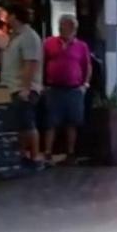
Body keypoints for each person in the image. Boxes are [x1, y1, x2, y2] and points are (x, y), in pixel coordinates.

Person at [0, 3, 44, 169]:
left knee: (27, 123)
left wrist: (26, 88)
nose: (5, 19)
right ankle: (23, 155)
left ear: (14, 16)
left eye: (8, 15)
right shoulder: (15, 37)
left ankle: (34, 157)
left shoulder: (29, 36)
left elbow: (30, 63)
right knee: (19, 124)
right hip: (11, 87)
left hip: (23, 88)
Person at [43, 14, 91, 165]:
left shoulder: (81, 46)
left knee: (72, 122)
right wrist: (42, 84)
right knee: (50, 122)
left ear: (74, 28)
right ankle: (48, 153)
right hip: (54, 88)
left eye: (67, 26)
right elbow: (42, 63)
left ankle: (70, 153)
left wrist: (85, 84)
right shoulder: (49, 43)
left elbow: (87, 66)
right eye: (62, 25)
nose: (63, 28)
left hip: (74, 89)